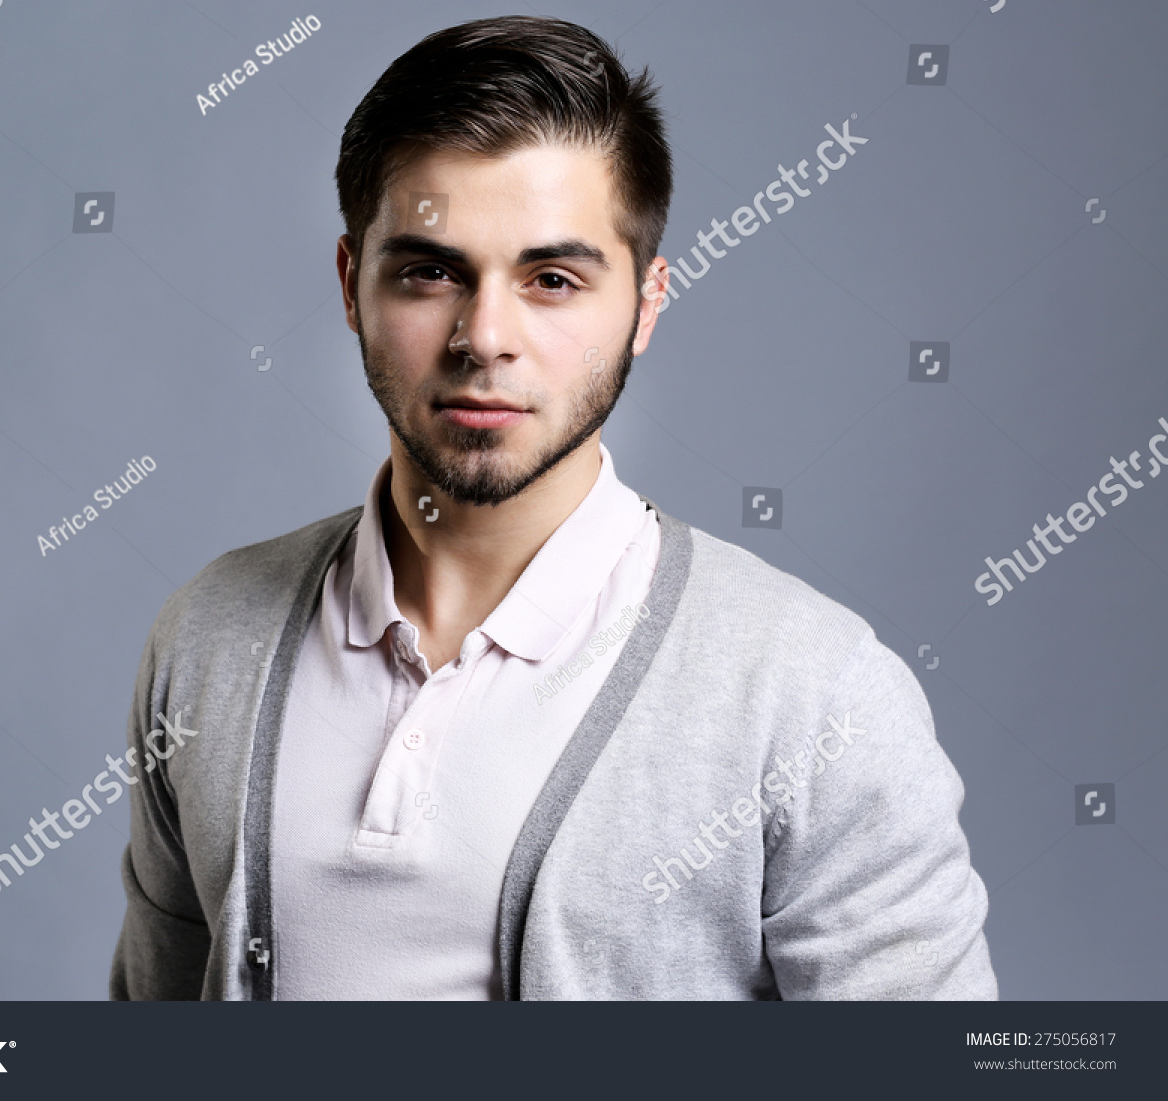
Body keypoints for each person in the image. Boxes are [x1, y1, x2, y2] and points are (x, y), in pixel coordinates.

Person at [110, 15, 996, 1000]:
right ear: (352, 285)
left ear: (648, 303)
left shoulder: (815, 698)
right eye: (430, 271)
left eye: (553, 280)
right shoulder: (208, 638)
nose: (486, 336)